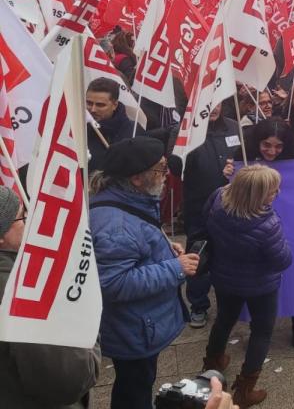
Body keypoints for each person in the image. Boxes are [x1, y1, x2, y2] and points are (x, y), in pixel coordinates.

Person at [90, 137, 199, 409]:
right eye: (160, 169)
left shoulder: (129, 199)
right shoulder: (115, 225)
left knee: (137, 382)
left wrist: (163, 248)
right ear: (137, 178)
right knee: (134, 387)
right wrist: (175, 268)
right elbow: (115, 284)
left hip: (138, 324)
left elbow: (136, 248)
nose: (166, 175)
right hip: (133, 330)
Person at [0, 186, 102, 409]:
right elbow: (69, 380)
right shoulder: (22, 293)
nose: (29, 224)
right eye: (22, 217)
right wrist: (88, 332)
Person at [201, 165, 291, 408]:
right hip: (260, 286)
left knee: (224, 320)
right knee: (261, 332)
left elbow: (203, 220)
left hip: (224, 277)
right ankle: (244, 390)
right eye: (272, 191)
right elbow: (283, 260)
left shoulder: (219, 197)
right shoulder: (267, 225)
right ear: (257, 196)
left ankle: (212, 364)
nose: (277, 193)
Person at [227, 118, 294, 349]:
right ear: (257, 141)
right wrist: (228, 172)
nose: (272, 151)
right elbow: (233, 191)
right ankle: (259, 329)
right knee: (258, 279)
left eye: (278, 146)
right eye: (266, 145)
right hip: (256, 226)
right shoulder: (244, 152)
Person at [167, 101, 239, 329]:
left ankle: (231, 301)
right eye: (208, 103)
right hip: (199, 206)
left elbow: (248, 159)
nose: (214, 108)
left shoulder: (234, 127)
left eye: (217, 102)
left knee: (230, 254)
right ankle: (198, 304)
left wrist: (235, 167)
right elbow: (176, 168)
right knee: (198, 254)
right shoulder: (184, 130)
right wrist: (185, 141)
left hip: (232, 205)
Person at [85, 77, 142, 172]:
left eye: (100, 105)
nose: (93, 109)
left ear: (114, 105)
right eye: (89, 103)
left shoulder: (133, 131)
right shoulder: (78, 129)